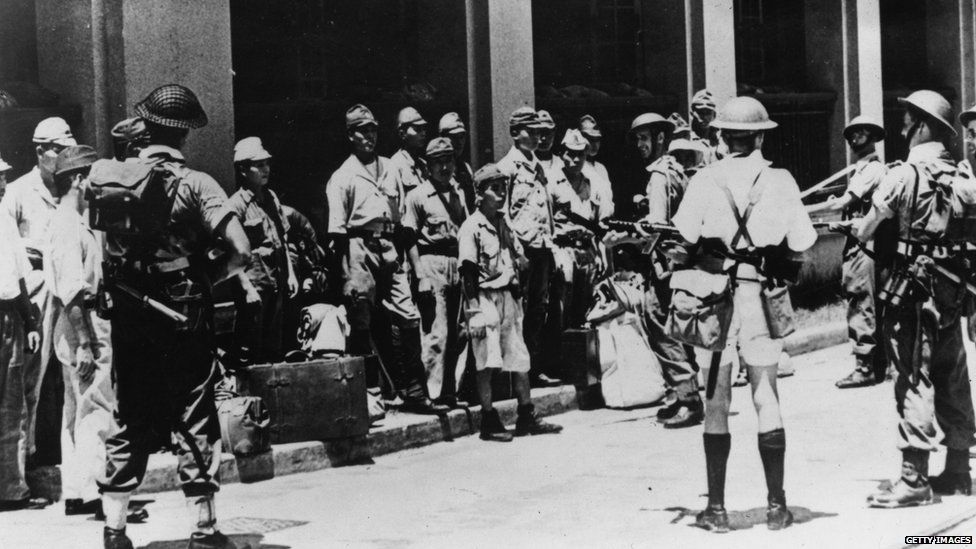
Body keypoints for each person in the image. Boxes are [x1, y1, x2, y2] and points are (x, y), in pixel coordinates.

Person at [97, 84, 252, 549]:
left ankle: (115, 530)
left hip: (130, 312)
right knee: (194, 412)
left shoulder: (116, 181)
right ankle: (203, 530)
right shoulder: (197, 183)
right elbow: (241, 251)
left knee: (130, 413)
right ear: (184, 133)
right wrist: (206, 278)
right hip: (182, 312)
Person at [673, 96, 816, 532]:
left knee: (716, 402)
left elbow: (683, 235)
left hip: (715, 298)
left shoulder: (704, 180)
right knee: (766, 394)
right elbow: (804, 241)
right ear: (759, 135)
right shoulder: (782, 180)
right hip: (758, 299)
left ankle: (716, 511)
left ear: (720, 135)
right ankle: (777, 507)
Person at [853, 90, 976, 506]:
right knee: (953, 375)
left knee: (913, 375)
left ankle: (914, 478)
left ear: (922, 125)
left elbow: (866, 230)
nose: (902, 128)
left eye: (907, 120)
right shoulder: (962, 176)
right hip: (952, 291)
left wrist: (857, 225)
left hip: (912, 292)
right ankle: (959, 469)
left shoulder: (903, 175)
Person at [326, 104, 447, 415]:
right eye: (362, 131)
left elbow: (405, 223)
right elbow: (336, 234)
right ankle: (369, 392)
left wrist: (414, 267)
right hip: (358, 246)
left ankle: (414, 391)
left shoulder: (389, 167)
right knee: (362, 321)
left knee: (409, 317)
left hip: (389, 245)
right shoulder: (342, 176)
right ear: (350, 135)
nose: (369, 136)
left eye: (373, 130)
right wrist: (344, 277)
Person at [458, 163, 563, 441]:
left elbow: (520, 257)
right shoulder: (471, 227)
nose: (501, 193)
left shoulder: (504, 223)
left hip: (509, 296)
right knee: (487, 360)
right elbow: (467, 273)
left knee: (518, 356)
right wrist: (474, 311)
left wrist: (521, 270)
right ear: (479, 194)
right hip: (484, 298)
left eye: (504, 187)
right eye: (495, 189)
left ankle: (526, 414)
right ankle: (488, 419)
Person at [44, 146, 117, 517]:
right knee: (96, 406)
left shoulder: (70, 220)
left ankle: (75, 489)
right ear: (77, 179)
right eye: (90, 177)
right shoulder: (67, 223)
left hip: (73, 324)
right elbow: (73, 290)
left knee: (75, 410)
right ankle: (96, 492)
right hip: (81, 323)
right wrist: (87, 344)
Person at [1, 117, 77, 468]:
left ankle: (64, 452)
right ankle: (27, 454)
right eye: (58, 149)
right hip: (33, 294)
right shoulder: (17, 192)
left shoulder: (72, 189)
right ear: (41, 150)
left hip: (69, 290)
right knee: (31, 376)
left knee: (72, 373)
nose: (64, 156)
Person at [626, 112, 703, 428]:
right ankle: (681, 395)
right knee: (677, 329)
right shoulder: (677, 170)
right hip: (680, 262)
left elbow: (657, 225)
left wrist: (631, 237)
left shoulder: (659, 175)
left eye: (645, 138)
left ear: (660, 138)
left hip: (663, 265)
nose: (641, 145)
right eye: (638, 139)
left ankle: (688, 399)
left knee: (660, 328)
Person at [806, 116, 888, 389]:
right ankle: (877, 366)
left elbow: (845, 201)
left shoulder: (872, 169)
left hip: (864, 246)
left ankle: (865, 368)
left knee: (860, 302)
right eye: (852, 134)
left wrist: (803, 209)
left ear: (873, 137)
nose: (854, 139)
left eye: (861, 133)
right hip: (859, 242)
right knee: (865, 301)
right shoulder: (861, 169)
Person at [497, 106, 560, 387]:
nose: (536, 137)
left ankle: (532, 369)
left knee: (538, 309)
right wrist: (515, 252)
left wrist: (552, 245)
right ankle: (515, 374)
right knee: (518, 312)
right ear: (514, 133)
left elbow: (545, 208)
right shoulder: (506, 168)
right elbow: (504, 213)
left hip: (542, 246)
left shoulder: (538, 166)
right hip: (522, 250)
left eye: (539, 132)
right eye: (530, 132)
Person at [404, 137, 469, 406]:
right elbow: (408, 237)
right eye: (438, 162)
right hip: (431, 264)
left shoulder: (459, 193)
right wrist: (419, 275)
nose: (445, 167)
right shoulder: (417, 196)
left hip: (457, 263)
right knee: (436, 332)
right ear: (428, 166)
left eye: (449, 160)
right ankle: (433, 393)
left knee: (459, 332)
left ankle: (451, 391)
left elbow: (465, 230)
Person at [227, 137, 298, 363]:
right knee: (250, 347)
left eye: (267, 163)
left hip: (276, 282)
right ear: (243, 170)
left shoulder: (271, 198)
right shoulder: (236, 205)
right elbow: (230, 254)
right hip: (255, 287)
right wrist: (246, 289)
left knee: (273, 344)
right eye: (259, 165)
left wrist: (292, 274)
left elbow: (282, 238)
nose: (266, 169)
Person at [545, 129, 607, 359]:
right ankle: (559, 359)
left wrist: (600, 254)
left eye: (579, 154)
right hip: (563, 249)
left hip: (586, 249)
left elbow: (600, 224)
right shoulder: (552, 183)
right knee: (561, 307)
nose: (574, 159)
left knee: (586, 305)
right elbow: (547, 224)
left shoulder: (593, 183)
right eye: (570, 154)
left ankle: (582, 361)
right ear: (562, 154)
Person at [0, 190, 41, 512]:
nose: (3, 184)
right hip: (4, 316)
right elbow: (11, 283)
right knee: (11, 405)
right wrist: (30, 320)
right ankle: (11, 490)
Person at [438, 112, 476, 212]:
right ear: (442, 137)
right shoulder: (436, 169)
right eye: (454, 137)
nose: (459, 142)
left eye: (462, 136)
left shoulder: (466, 168)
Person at [578, 114, 615, 219]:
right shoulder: (577, 167)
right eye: (590, 139)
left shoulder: (601, 168)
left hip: (607, 224)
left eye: (597, 140)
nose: (594, 144)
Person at [389, 106, 429, 195]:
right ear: (402, 134)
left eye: (423, 129)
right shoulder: (394, 165)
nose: (423, 133)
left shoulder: (424, 165)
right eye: (417, 129)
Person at [690, 89, 720, 164]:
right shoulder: (686, 140)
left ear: (714, 115)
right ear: (692, 113)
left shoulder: (721, 139)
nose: (705, 117)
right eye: (700, 112)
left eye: (708, 113)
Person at [534, 110, 563, 184]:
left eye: (547, 133)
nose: (543, 138)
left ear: (554, 133)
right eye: (540, 133)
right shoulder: (525, 164)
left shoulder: (562, 164)